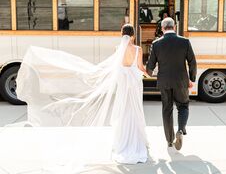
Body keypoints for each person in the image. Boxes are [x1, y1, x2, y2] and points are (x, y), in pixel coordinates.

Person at [15, 24, 149, 164]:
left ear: (122, 34)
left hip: (122, 86)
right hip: (133, 86)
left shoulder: (117, 49)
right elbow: (140, 67)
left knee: (122, 111)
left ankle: (123, 142)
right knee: (134, 110)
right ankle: (136, 140)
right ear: (133, 35)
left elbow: (116, 69)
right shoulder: (138, 50)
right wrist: (148, 73)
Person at [146, 17, 197, 150]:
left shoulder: (156, 44)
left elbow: (150, 65)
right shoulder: (185, 42)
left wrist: (148, 73)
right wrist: (191, 79)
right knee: (183, 106)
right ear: (174, 27)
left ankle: (169, 140)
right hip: (181, 80)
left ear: (162, 28)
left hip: (164, 81)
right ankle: (180, 130)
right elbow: (192, 62)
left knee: (167, 109)